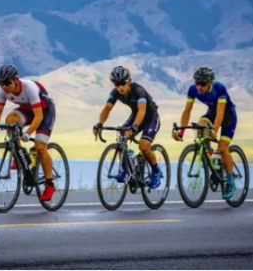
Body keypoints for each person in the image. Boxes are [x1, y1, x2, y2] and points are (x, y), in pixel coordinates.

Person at [0, 64, 56, 201]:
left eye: (7, 82)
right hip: (27, 110)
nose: (4, 87)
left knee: (40, 147)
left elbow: (39, 116)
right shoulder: (3, 92)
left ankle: (49, 184)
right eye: (1, 83)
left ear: (16, 80)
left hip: (45, 112)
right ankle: (20, 155)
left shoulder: (29, 88)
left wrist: (28, 133)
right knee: (10, 120)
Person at [92, 66, 162, 189]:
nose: (120, 87)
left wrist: (134, 127)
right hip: (136, 115)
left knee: (143, 147)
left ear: (129, 81)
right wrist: (100, 124)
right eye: (116, 84)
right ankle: (126, 166)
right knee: (122, 137)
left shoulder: (138, 90)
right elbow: (107, 109)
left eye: (122, 83)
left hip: (151, 117)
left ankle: (156, 171)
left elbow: (142, 110)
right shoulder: (115, 93)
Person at [173, 66, 237, 199]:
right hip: (212, 113)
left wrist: (214, 130)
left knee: (222, 148)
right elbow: (187, 111)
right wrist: (181, 131)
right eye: (197, 83)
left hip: (228, 116)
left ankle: (230, 182)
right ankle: (211, 156)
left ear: (210, 82)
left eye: (202, 84)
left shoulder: (219, 88)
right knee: (200, 127)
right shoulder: (193, 89)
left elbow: (221, 112)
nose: (199, 87)